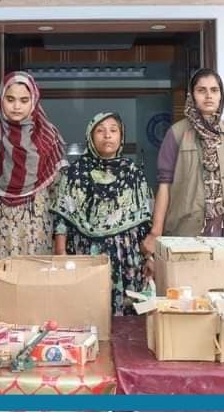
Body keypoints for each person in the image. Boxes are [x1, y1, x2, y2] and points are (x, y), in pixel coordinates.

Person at [141, 68, 224, 258]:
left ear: (221, 96)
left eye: (214, 90)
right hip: (187, 233)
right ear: (192, 96)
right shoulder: (177, 134)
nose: (208, 96)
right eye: (201, 90)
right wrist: (156, 231)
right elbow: (165, 185)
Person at [52, 112, 153, 315]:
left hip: (125, 255)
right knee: (85, 312)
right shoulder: (74, 173)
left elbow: (144, 220)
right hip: (85, 254)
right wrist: (61, 254)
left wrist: (150, 257)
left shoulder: (133, 173)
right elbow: (62, 217)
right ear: (90, 136)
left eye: (113, 130)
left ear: (121, 136)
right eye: (100, 130)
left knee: (126, 320)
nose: (107, 135)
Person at [0, 71, 67, 259]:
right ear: (1, 99)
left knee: (34, 276)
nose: (17, 106)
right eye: (10, 99)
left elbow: (60, 195)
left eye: (24, 100)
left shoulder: (49, 138)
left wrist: (60, 241)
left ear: (34, 101)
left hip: (36, 232)